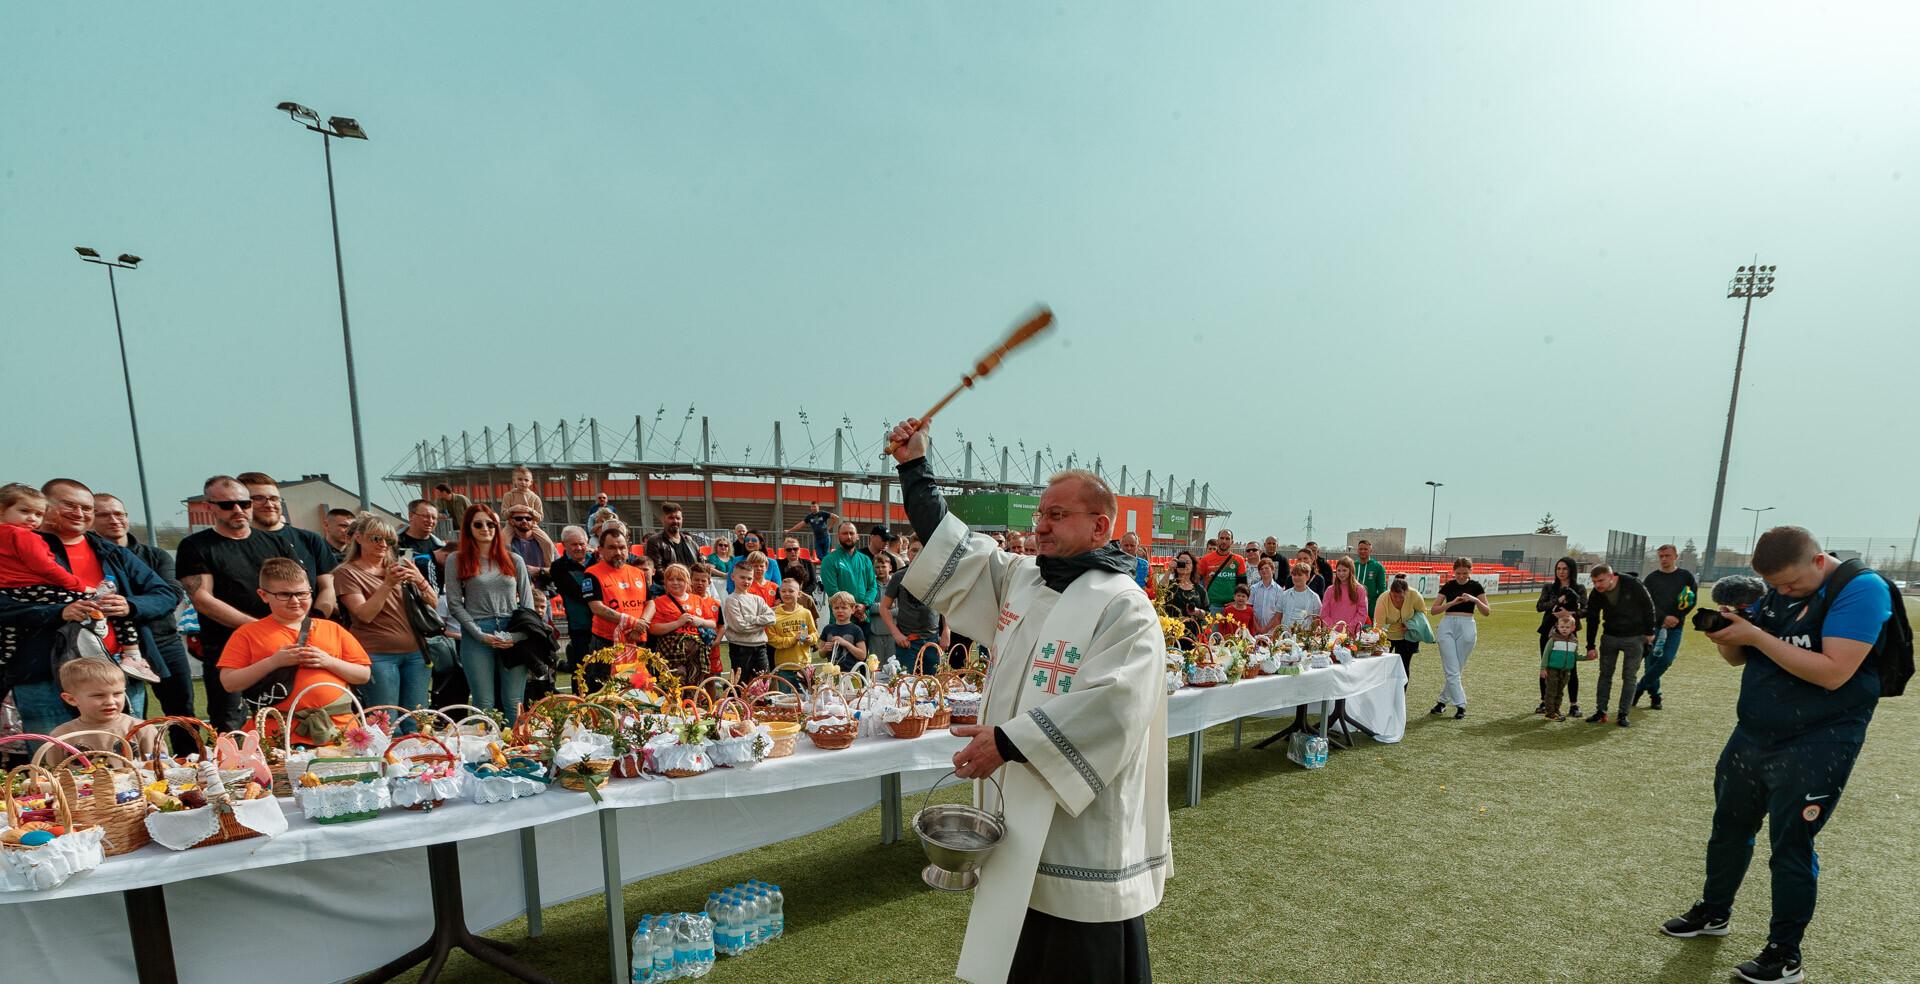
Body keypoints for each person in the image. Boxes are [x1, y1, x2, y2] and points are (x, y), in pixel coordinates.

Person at [888, 418, 1166, 984]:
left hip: (1080, 820)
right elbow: (954, 549)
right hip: (1019, 796)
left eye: (1057, 515)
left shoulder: (1125, 606)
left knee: (1079, 946)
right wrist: (914, 469)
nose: (1040, 526)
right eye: (1040, 514)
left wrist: (1010, 741)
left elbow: (1115, 706)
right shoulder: (1025, 579)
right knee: (1023, 931)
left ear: (1100, 526)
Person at [1661, 526, 1902, 984]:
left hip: (1820, 739)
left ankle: (1784, 954)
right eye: (1775, 585)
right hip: (1754, 731)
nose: (1783, 592)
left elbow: (1833, 673)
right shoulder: (1773, 591)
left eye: (1791, 584)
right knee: (1728, 828)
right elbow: (1738, 660)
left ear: (1817, 561)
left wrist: (1756, 637)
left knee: (1791, 845)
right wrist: (1731, 633)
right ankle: (1714, 912)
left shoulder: (1862, 587)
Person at [175, 475, 298, 730]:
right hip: (227, 649)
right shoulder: (195, 545)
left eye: (245, 503)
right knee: (230, 725)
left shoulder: (274, 541)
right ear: (210, 507)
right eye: (227, 505)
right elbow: (203, 599)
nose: (238, 510)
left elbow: (295, 588)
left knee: (283, 721)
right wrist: (256, 628)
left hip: (276, 646)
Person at [0, 483, 147, 686]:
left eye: (37, 513)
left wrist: (130, 605)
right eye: (69, 505)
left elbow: (165, 592)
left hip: (103, 669)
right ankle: (132, 654)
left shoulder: (112, 552)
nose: (32, 518)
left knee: (10, 637)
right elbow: (45, 567)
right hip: (45, 673)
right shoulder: (25, 537)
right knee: (99, 602)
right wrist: (76, 589)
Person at [218, 557, 372, 742]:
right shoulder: (248, 633)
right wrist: (274, 662)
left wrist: (328, 661)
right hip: (278, 733)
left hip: (338, 729)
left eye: (302, 594)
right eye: (284, 594)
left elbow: (363, 675)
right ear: (263, 595)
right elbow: (229, 683)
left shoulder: (332, 628)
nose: (295, 601)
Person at [92, 492, 195, 719]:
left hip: (163, 642)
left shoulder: (156, 556)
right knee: (128, 713)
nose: (114, 519)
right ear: (90, 519)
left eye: (119, 513)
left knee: (182, 711)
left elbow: (172, 594)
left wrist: (131, 605)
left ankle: (188, 754)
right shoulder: (91, 558)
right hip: (115, 647)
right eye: (104, 515)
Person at [333, 513, 435, 721]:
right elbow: (364, 615)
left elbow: (434, 604)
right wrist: (387, 584)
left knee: (417, 720)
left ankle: (421, 755)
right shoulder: (347, 573)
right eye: (376, 538)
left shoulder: (398, 567)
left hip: (416, 653)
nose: (383, 545)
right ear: (359, 537)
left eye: (388, 540)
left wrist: (419, 580)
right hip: (378, 655)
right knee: (386, 722)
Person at [444, 505, 536, 724]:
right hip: (476, 631)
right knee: (483, 703)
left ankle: (517, 753)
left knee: (514, 701)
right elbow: (454, 604)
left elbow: (528, 605)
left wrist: (516, 637)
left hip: (512, 630)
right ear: (468, 528)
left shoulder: (514, 560)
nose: (485, 528)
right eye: (478, 524)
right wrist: (479, 635)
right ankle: (484, 755)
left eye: (490, 523)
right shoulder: (456, 560)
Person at [237, 473, 338, 618]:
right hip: (253, 633)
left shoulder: (309, 539)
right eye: (258, 498)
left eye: (274, 498)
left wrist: (311, 625)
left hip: (308, 633)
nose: (269, 504)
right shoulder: (232, 543)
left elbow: (328, 587)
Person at [580, 525, 653, 694]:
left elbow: (650, 603)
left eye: (622, 547)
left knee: (639, 692)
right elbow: (596, 607)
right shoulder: (592, 574)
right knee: (605, 692)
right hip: (606, 644)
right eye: (612, 547)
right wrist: (633, 622)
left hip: (637, 642)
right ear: (600, 550)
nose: (618, 552)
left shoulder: (637, 572)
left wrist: (642, 622)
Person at [1582, 563, 1655, 727]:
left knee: (1629, 677)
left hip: (1634, 637)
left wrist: (1650, 631)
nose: (1597, 585)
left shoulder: (1631, 583)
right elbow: (1592, 619)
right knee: (1605, 675)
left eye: (1600, 581)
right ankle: (1601, 711)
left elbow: (1648, 605)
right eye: (1594, 582)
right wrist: (1590, 646)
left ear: (1611, 576)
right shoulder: (1596, 593)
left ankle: (1623, 714)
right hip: (1610, 637)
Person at [47, 655, 157, 762]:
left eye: (117, 693)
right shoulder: (61, 736)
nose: (110, 701)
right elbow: (53, 774)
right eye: (98, 695)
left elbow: (162, 766)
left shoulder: (142, 730)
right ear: (71, 699)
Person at [1638, 543, 1700, 710]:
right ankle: (1655, 696)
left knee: (1665, 660)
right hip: (1653, 627)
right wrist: (1663, 617)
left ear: (1675, 557)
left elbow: (1691, 600)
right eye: (1661, 556)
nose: (1664, 559)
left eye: (1667, 556)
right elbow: (1646, 603)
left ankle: (1638, 689)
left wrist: (1677, 617)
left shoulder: (1686, 576)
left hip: (1675, 627)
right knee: (1651, 663)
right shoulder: (1651, 579)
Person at [1430, 557, 1489, 720]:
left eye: (1465, 573)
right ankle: (1461, 705)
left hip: (1467, 625)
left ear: (1470, 571)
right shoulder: (1448, 586)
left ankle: (1442, 703)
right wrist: (1452, 603)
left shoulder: (1476, 586)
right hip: (1447, 624)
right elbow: (1434, 610)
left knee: (1455, 670)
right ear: (1453, 571)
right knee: (1452, 669)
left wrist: (1475, 599)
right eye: (1458, 573)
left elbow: (1486, 611)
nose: (1461, 576)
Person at [881, 541, 948, 672]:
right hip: (907, 642)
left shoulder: (937, 576)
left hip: (933, 640)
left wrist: (946, 631)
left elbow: (945, 605)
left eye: (922, 551)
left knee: (932, 685)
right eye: (914, 550)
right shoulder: (899, 576)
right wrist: (896, 634)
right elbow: (884, 607)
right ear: (908, 553)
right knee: (906, 684)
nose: (918, 554)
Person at [1535, 557, 1588, 717]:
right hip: (1549, 632)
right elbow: (1540, 606)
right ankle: (1545, 702)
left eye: (1564, 569)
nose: (1561, 572)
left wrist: (1569, 614)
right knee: (1547, 667)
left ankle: (1574, 705)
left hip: (1569, 634)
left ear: (1571, 570)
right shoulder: (1549, 587)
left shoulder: (1579, 588)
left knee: (1571, 668)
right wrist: (1557, 601)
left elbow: (1586, 609)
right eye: (1558, 569)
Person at [648, 563, 719, 684]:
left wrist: (700, 622)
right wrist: (678, 623)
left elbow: (712, 623)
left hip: (696, 650)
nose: (675, 582)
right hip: (671, 650)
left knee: (695, 684)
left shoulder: (697, 599)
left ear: (687, 582)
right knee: (676, 684)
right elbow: (653, 629)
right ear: (665, 582)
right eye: (671, 579)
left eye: (679, 579)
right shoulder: (659, 602)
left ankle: (691, 703)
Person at [549, 525, 598, 674]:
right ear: (564, 545)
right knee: (581, 670)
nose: (579, 548)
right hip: (579, 626)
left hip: (602, 625)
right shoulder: (558, 567)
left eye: (582, 544)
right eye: (574, 544)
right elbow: (578, 594)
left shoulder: (598, 559)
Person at [721, 567, 777, 684]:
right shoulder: (731, 600)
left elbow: (772, 618)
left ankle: (759, 703)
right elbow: (740, 627)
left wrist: (750, 619)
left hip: (760, 646)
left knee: (763, 682)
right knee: (740, 683)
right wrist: (762, 625)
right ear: (733, 577)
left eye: (749, 578)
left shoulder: (758, 599)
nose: (746, 581)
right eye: (742, 577)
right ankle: (737, 702)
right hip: (740, 648)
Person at [1373, 575, 1428, 681]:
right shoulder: (1382, 599)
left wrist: (1411, 625)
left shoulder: (1415, 595)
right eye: (1394, 596)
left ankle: (1401, 694)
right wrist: (1378, 643)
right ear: (1390, 592)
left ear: (1406, 592)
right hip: (1387, 636)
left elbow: (1422, 613)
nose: (1397, 600)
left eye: (1401, 597)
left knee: (1404, 666)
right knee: (1383, 666)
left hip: (1408, 636)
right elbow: (1378, 626)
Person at [820, 521, 877, 621]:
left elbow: (872, 587)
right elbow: (833, 591)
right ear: (838, 536)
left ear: (857, 536)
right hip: (841, 621)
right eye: (845, 533)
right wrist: (853, 609)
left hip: (864, 617)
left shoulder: (865, 560)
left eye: (851, 533)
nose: (849, 537)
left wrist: (864, 605)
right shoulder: (829, 560)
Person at [764, 578, 817, 673]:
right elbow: (771, 639)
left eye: (791, 591)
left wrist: (810, 638)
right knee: (783, 688)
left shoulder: (806, 613)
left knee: (806, 688)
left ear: (799, 594)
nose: (787, 594)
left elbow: (814, 634)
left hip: (804, 664)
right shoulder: (773, 614)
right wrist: (793, 640)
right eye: (783, 591)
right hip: (783, 666)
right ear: (779, 593)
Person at [643, 501, 702, 587]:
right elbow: (657, 571)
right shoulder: (654, 541)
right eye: (671, 518)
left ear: (682, 520)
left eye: (678, 518)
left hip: (691, 590)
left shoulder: (692, 544)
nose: (675, 521)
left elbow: (699, 567)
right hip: (669, 590)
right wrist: (679, 583)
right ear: (663, 519)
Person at [1540, 609, 1582, 721]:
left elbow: (1576, 656)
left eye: (1567, 627)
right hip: (1553, 670)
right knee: (1551, 691)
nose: (1564, 629)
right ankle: (1550, 713)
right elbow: (1546, 654)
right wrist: (1543, 668)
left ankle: (1556, 710)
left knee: (1560, 692)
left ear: (1573, 628)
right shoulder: (1553, 640)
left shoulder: (1574, 641)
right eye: (1562, 627)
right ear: (1557, 627)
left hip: (1566, 671)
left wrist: (1587, 657)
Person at [395, 499, 447, 588]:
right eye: (426, 516)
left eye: (434, 518)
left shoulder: (440, 547)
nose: (430, 521)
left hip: (435, 598)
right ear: (411, 516)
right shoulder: (395, 543)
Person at [504, 505, 555, 591]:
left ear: (534, 522)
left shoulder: (545, 543)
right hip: (515, 593)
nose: (524, 521)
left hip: (543, 593)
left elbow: (557, 570)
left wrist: (539, 571)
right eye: (519, 518)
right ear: (511, 521)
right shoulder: (507, 542)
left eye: (528, 518)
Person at [1195, 530, 1245, 612]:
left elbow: (1243, 585)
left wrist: (1237, 602)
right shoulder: (1206, 559)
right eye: (1221, 538)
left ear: (1232, 541)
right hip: (1212, 606)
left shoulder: (1239, 560)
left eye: (1227, 539)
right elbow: (1195, 581)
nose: (1224, 541)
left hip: (1232, 606)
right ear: (1217, 540)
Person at [818, 591, 868, 672]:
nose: (840, 611)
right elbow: (821, 654)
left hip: (851, 674)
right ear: (832, 610)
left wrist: (845, 643)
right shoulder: (827, 629)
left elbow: (862, 655)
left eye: (844, 608)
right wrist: (825, 649)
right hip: (831, 675)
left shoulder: (856, 630)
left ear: (852, 609)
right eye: (836, 608)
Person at [1321, 556, 1371, 629]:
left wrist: (1349, 628)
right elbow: (1324, 613)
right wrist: (1334, 628)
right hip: (1332, 633)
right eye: (1339, 570)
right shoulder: (1330, 590)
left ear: (1351, 571)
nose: (1341, 573)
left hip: (1351, 633)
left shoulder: (1360, 590)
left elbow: (1362, 613)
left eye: (1344, 570)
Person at [1275, 561, 1323, 631]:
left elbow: (1316, 621)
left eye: (1300, 575)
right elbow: (1278, 617)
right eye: (1294, 575)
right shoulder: (1284, 595)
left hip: (1306, 637)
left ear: (1307, 576)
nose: (1296, 577)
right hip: (1286, 637)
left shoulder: (1314, 597)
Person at [1162, 551, 1208, 621]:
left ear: (1193, 567)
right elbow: (1160, 591)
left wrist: (1197, 612)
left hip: (1194, 630)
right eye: (1180, 562)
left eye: (1187, 562)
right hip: (1171, 629)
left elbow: (1208, 614)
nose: (1183, 564)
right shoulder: (1170, 585)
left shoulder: (1200, 589)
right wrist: (1169, 570)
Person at [1248, 558, 1287, 636]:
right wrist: (1258, 628)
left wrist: (1265, 629)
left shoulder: (1279, 591)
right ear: (1259, 572)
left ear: (1273, 570)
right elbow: (1250, 609)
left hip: (1271, 632)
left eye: (1266, 568)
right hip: (1255, 631)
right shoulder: (1254, 588)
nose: (1264, 570)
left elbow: (1278, 615)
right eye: (1261, 569)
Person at [1354, 539, 1389, 613]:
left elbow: (1381, 589)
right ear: (1357, 550)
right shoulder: (1353, 565)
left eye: (1365, 549)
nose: (1362, 551)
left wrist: (1382, 606)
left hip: (1371, 606)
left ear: (1371, 551)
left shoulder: (1378, 567)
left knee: (1371, 624)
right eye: (1360, 549)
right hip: (1354, 604)